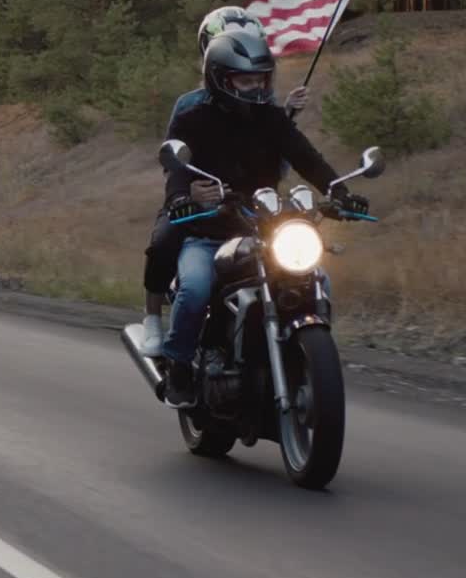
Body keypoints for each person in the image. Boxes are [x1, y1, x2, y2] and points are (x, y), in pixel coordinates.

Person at [157, 28, 368, 408]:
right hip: (210, 231)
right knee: (194, 289)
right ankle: (180, 365)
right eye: (245, 79)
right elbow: (176, 173)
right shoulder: (193, 120)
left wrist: (339, 190)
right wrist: (184, 197)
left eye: (261, 79)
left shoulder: (271, 119)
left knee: (317, 278)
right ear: (221, 79)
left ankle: (300, 356)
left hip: (267, 228)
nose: (255, 87)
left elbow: (306, 157)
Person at [138, 5, 309, 358]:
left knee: (307, 272)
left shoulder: (265, 106)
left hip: (256, 211)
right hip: (203, 211)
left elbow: (276, 163)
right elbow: (175, 161)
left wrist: (289, 117)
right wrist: (187, 194)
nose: (253, 85)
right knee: (166, 241)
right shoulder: (190, 108)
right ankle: (155, 320)